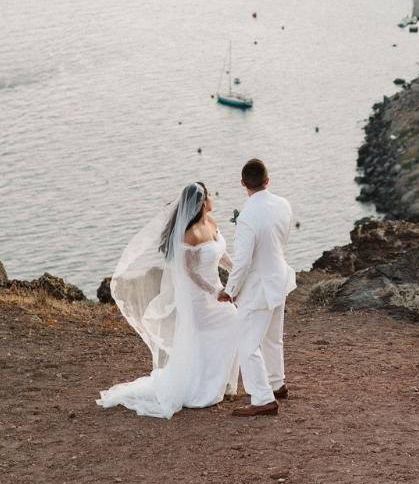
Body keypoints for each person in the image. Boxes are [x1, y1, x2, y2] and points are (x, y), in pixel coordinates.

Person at [97, 181, 238, 419]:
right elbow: (190, 273)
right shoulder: (189, 235)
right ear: (202, 202)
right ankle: (199, 388)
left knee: (231, 323)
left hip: (217, 288)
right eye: (210, 196)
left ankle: (217, 381)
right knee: (205, 335)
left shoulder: (211, 223)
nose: (213, 198)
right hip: (198, 295)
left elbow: (220, 253)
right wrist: (214, 292)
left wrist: (237, 271)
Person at [220, 158, 296, 417]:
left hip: (259, 288)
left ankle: (263, 398)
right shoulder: (284, 205)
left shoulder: (247, 217)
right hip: (279, 279)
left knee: (247, 344)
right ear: (268, 180)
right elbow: (282, 240)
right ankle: (277, 384)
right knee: (273, 338)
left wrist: (230, 291)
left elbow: (242, 262)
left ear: (243, 184)